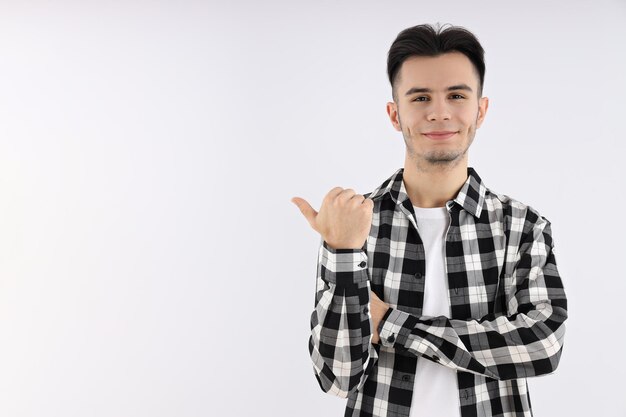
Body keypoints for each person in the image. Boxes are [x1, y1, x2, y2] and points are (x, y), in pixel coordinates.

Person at [291, 23, 567, 417]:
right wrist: (343, 251)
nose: (439, 112)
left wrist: (390, 324)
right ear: (395, 113)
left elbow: (543, 345)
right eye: (420, 97)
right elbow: (337, 378)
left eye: (456, 95)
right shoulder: (353, 223)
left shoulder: (521, 226)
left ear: (480, 110)